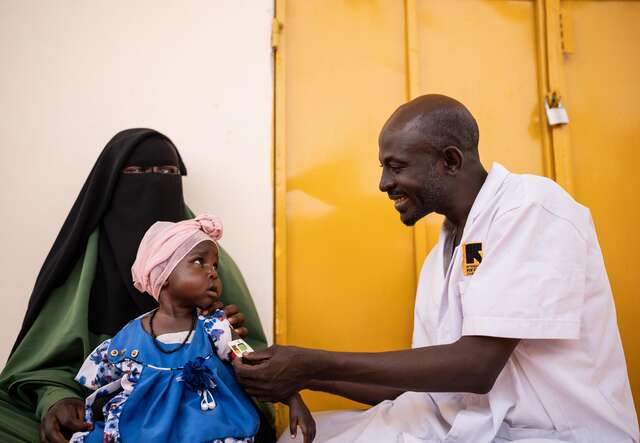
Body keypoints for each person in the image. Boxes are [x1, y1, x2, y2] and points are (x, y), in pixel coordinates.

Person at [234, 95, 639, 442]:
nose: (382, 183)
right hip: (471, 427)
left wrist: (313, 363)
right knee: (303, 436)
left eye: (396, 166)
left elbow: (476, 368)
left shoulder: (530, 207)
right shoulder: (444, 254)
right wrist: (297, 376)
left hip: (555, 433)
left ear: (449, 161)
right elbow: (421, 387)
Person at [0, 129, 271, 443]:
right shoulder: (82, 264)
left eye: (167, 173)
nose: (153, 182)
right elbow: (42, 367)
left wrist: (225, 340)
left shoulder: (201, 255)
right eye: (137, 172)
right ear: (110, 185)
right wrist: (57, 399)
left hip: (202, 412)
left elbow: (257, 364)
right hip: (108, 409)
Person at [68, 214, 314, 443]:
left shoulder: (217, 328)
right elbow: (94, 383)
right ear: (162, 274)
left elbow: (254, 366)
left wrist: (293, 398)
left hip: (210, 429)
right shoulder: (130, 339)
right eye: (199, 262)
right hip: (144, 433)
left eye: (215, 266)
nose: (212, 273)